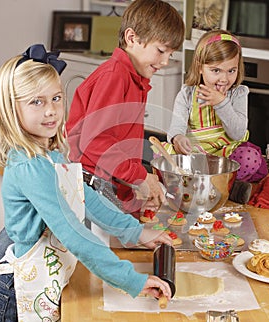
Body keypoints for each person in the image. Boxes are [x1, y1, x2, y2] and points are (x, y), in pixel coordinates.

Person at [0, 44, 173, 322]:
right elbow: (74, 234)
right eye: (36, 102)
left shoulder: (49, 153)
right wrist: (131, 280)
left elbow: (84, 196)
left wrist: (135, 231)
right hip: (21, 288)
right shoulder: (30, 167)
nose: (50, 110)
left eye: (56, 98)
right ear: (12, 108)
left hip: (47, 279)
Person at [66, 0, 185, 215]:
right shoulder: (115, 76)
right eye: (161, 51)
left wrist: (131, 196)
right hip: (87, 186)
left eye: (171, 54)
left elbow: (121, 144)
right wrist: (139, 176)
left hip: (107, 183)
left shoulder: (135, 79)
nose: (166, 61)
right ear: (132, 38)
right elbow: (96, 143)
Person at [167, 29, 268, 204]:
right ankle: (226, 188)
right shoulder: (187, 94)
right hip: (197, 154)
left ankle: (213, 186)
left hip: (226, 155)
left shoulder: (238, 94)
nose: (224, 78)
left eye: (231, 71)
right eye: (216, 70)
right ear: (200, 68)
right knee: (164, 158)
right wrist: (178, 138)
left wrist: (221, 103)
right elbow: (176, 126)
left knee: (250, 158)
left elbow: (237, 133)